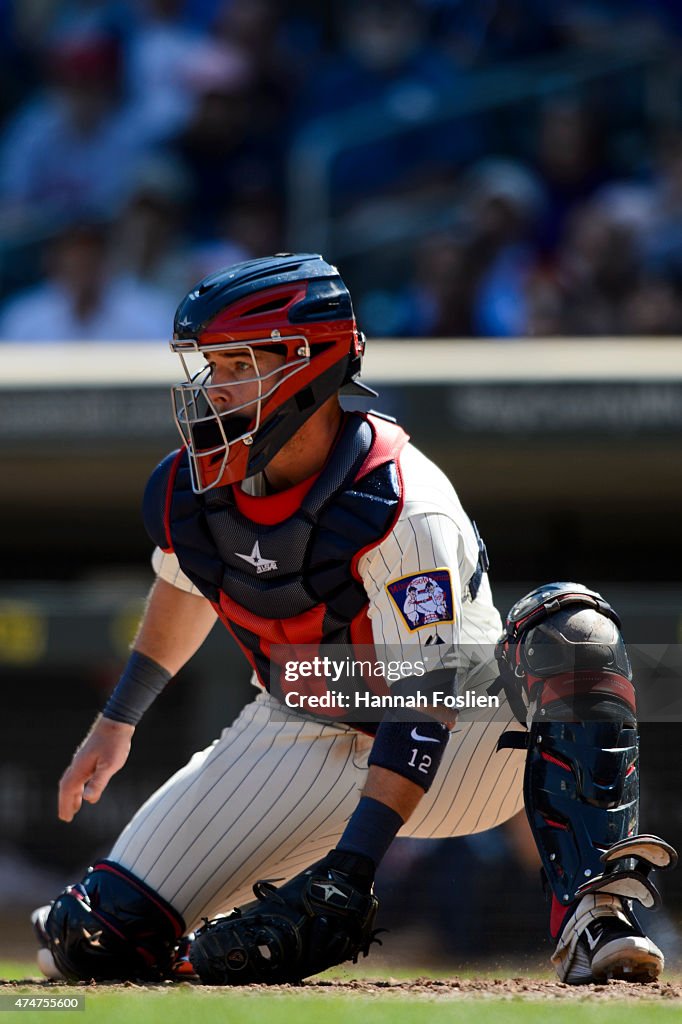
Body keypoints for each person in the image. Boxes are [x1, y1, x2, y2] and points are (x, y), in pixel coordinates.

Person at [33, 253, 675, 986]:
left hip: (465, 736)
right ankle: (202, 945)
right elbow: (184, 582)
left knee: (573, 635)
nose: (215, 388)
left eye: (237, 364)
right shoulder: (198, 478)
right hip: (300, 722)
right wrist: (118, 721)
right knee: (94, 942)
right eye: (210, 366)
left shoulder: (401, 498)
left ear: (310, 366)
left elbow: (425, 697)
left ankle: (600, 919)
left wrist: (354, 864)